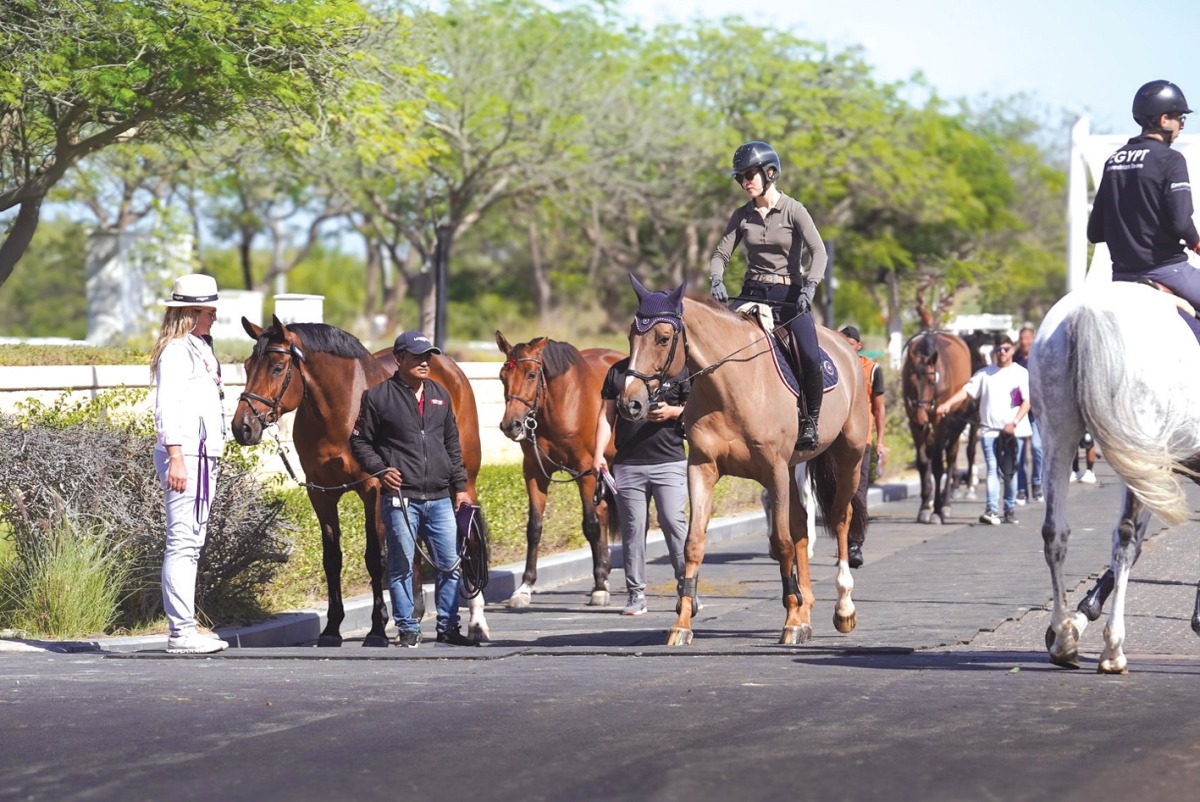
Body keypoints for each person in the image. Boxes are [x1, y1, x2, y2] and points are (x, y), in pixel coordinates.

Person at [349, 330, 477, 647]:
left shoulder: (440, 395)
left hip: (440, 498)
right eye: (417, 356)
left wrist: (460, 488)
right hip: (401, 499)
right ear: (399, 358)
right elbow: (359, 441)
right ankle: (408, 628)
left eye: (427, 356)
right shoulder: (377, 397)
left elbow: (452, 445)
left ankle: (448, 628)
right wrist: (379, 469)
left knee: (450, 564)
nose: (424, 362)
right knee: (401, 566)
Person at [709, 140, 828, 451]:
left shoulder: (794, 210)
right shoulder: (741, 214)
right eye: (740, 177)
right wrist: (716, 278)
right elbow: (721, 253)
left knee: (810, 356)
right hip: (752, 291)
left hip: (789, 294)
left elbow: (819, 252)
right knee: (712, 342)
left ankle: (810, 420)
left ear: (770, 172)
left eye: (750, 174)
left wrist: (811, 286)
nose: (744, 182)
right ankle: (692, 411)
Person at [151, 273, 230, 655]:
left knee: (191, 543)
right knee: (182, 543)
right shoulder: (177, 351)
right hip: (187, 455)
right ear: (192, 311)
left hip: (203, 453)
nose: (214, 315)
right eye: (208, 309)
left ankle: (186, 626)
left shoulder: (199, 347)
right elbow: (167, 407)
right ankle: (181, 632)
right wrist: (177, 457)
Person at [1088, 80, 1200, 332]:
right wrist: (1197, 243)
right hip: (1167, 270)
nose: (1181, 125)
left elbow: (1094, 232)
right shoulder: (1171, 159)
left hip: (1121, 278)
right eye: (1179, 118)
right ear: (1163, 120)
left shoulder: (1113, 161)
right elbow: (1182, 222)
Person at [592, 349, 691, 616]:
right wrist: (599, 453)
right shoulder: (617, 372)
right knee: (633, 530)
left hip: (669, 462)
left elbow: (696, 410)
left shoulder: (678, 372)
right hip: (628, 465)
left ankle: (687, 591)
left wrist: (672, 412)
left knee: (673, 522)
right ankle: (636, 596)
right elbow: (606, 416)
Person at [936, 334, 1031, 526]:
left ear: (1012, 350)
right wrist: (947, 404)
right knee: (991, 470)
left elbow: (1027, 402)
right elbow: (966, 391)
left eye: (1005, 349)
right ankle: (991, 509)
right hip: (989, 432)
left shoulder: (1021, 373)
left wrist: (1014, 422)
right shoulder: (984, 374)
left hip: (1013, 432)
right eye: (998, 350)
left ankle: (1009, 508)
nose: (1001, 353)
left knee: (1009, 472)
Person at [839, 326, 887, 568]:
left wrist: (880, 441)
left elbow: (879, 408)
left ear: (858, 346)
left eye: (850, 343)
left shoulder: (871, 369)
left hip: (861, 440)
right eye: (842, 342)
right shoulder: (832, 365)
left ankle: (855, 542)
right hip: (833, 440)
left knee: (858, 492)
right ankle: (840, 541)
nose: (846, 347)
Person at [1012, 326, 1043, 504]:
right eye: (1022, 338)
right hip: (1020, 410)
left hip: (1037, 410)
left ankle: (1037, 484)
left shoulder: (1040, 357)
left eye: (1028, 338)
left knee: (1038, 448)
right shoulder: (1014, 359)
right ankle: (1021, 488)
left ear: (1034, 339)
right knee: (1019, 452)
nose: (1025, 342)